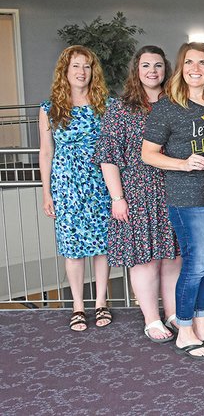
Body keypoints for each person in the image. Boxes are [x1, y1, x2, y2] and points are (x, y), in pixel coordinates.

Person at [142, 42, 204, 360]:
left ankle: (202, 326)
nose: (196, 68)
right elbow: (148, 154)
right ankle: (184, 331)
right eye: (190, 62)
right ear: (180, 68)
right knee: (194, 266)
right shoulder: (167, 107)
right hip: (187, 196)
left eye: (203, 63)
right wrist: (183, 163)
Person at [94, 46, 181, 342]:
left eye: (158, 65)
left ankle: (172, 313)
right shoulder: (120, 108)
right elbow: (108, 156)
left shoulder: (175, 104)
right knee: (143, 258)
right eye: (146, 65)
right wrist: (117, 198)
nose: (152, 71)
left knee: (173, 256)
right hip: (136, 193)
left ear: (166, 69)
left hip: (173, 188)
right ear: (137, 70)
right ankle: (152, 318)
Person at [39, 45, 112, 332]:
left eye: (86, 66)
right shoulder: (50, 108)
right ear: (65, 72)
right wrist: (47, 192)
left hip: (98, 180)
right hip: (66, 184)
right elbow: (46, 152)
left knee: (102, 245)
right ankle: (78, 306)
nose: (81, 72)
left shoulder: (104, 104)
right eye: (76, 67)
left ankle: (101, 303)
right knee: (72, 247)